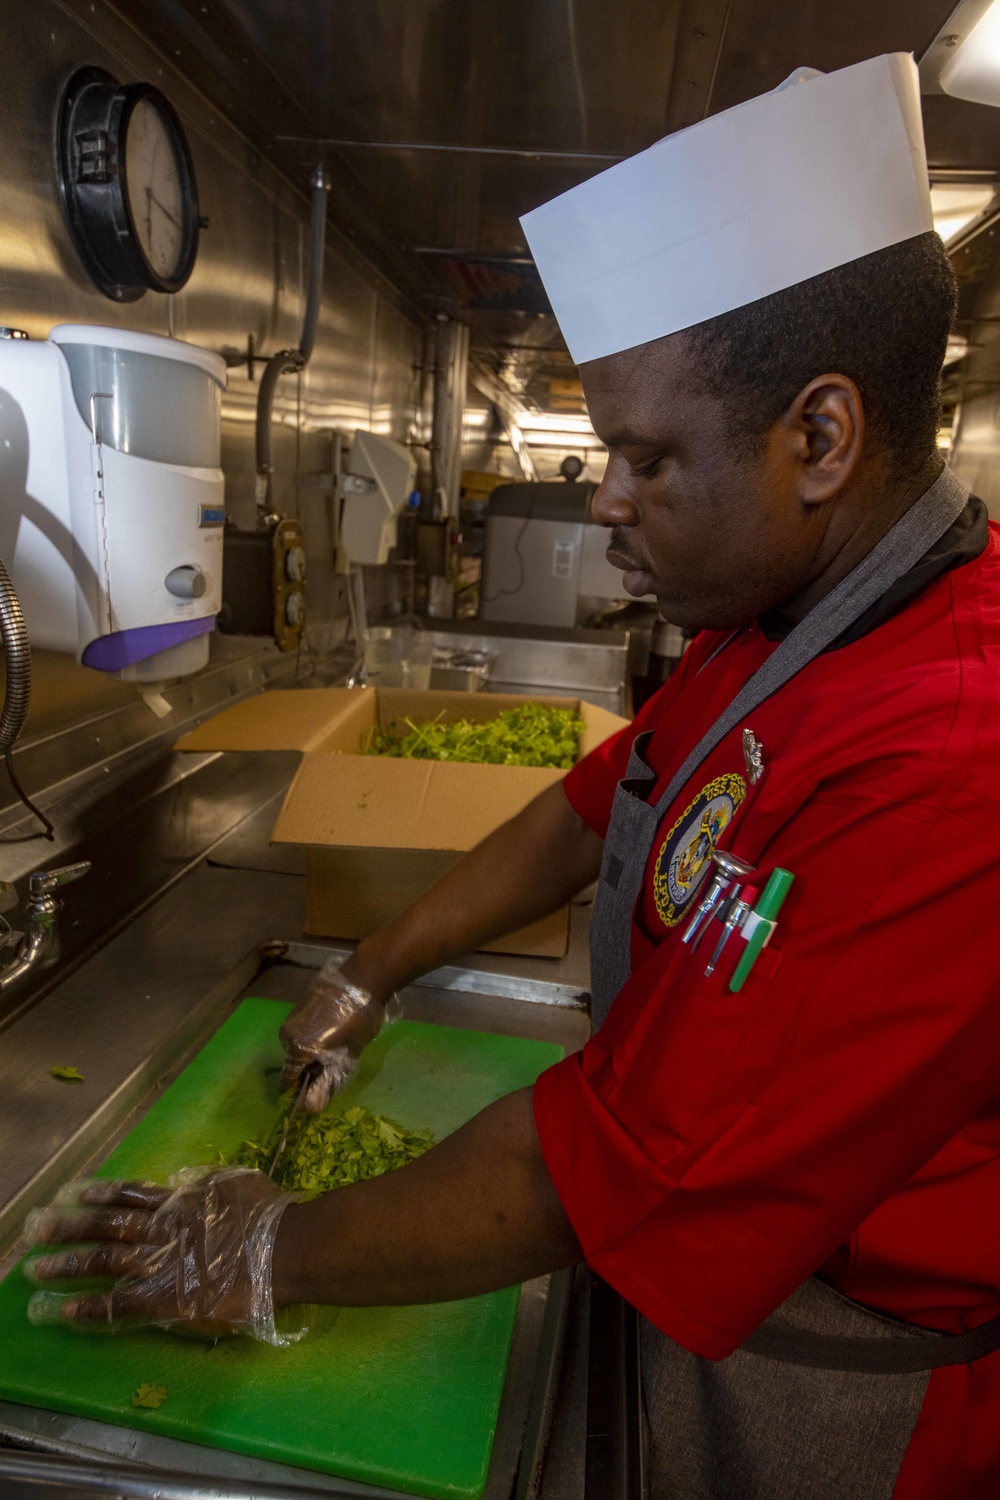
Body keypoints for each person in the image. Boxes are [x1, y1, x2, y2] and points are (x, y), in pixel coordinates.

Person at [25, 54, 1000, 1499]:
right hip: (700, 1280)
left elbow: (612, 1169)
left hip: (848, 1387)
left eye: (646, 456)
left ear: (821, 438)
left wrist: (263, 1245)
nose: (603, 496)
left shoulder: (949, 755)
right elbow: (591, 812)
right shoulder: (774, 631)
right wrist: (373, 968)